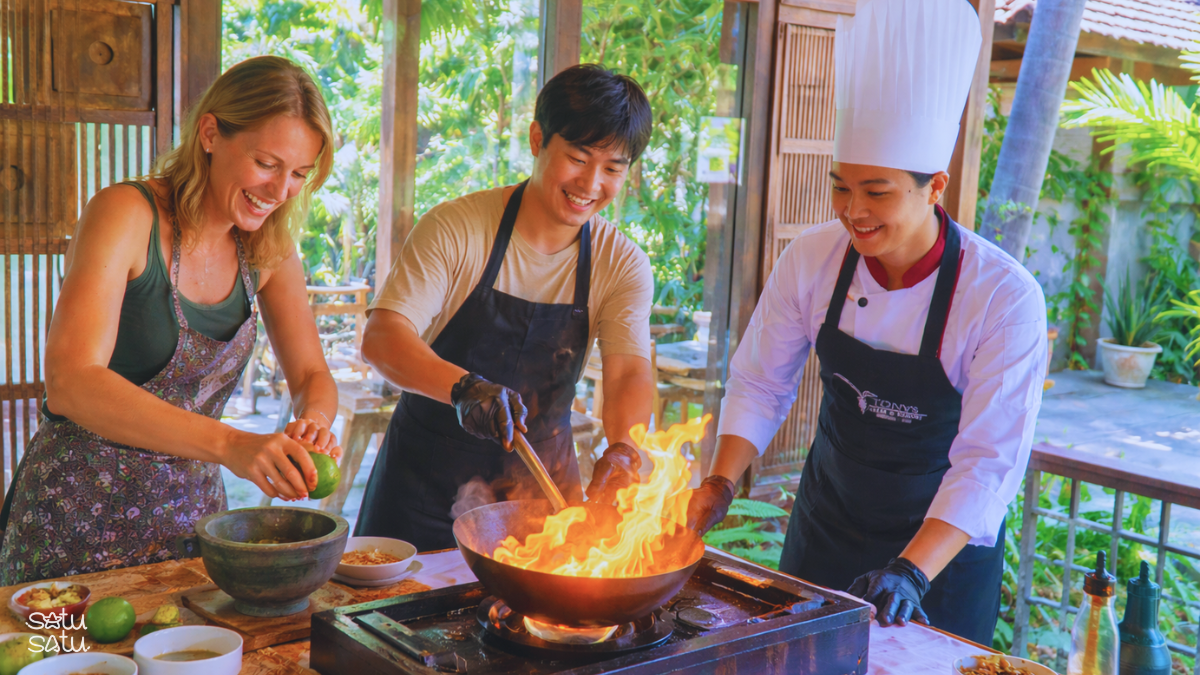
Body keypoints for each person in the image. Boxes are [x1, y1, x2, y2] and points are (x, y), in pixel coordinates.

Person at [685, 0, 1047, 645]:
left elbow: (988, 464)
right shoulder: (813, 258)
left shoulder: (1001, 298)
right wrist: (719, 480)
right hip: (828, 520)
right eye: (841, 187)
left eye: (876, 191)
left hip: (939, 552)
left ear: (934, 186)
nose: (853, 211)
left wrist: (911, 571)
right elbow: (761, 382)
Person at [0, 56, 343, 585]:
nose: (280, 192)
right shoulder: (126, 213)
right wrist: (233, 444)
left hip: (189, 526)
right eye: (267, 163)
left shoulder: (269, 248)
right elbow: (70, 381)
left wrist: (313, 425)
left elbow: (312, 378)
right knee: (62, 658)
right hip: (73, 515)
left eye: (300, 174)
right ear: (210, 133)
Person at [358, 64, 657, 550]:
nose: (591, 183)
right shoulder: (458, 228)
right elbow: (384, 337)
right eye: (578, 158)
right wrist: (463, 389)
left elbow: (627, 375)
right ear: (538, 139)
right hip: (421, 491)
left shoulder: (621, 263)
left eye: (613, 169)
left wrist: (624, 450)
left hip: (544, 498)